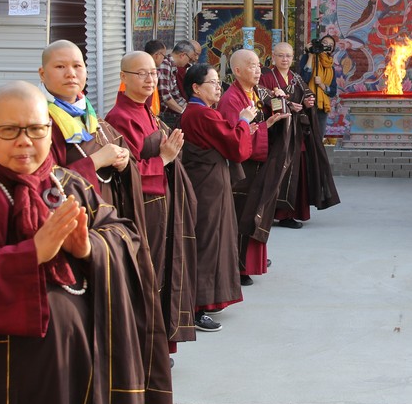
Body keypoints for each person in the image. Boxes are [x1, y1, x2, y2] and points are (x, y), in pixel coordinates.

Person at [0, 81, 171, 404]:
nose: (24, 141)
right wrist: (32, 253)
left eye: (36, 129)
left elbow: (123, 234)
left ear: (49, 131)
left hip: (75, 368)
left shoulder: (67, 184)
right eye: (10, 130)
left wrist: (89, 248)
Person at [38, 41, 173, 384]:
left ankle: (116, 365)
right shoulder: (42, 122)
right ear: (42, 74)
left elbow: (126, 162)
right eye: (60, 67)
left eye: (77, 66)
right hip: (73, 230)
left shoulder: (92, 117)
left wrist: (125, 163)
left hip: (108, 225)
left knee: (115, 295)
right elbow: (42, 183)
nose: (71, 74)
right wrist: (96, 161)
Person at [106, 51, 198, 344]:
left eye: (153, 73)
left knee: (165, 271)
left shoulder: (146, 110)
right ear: (123, 77)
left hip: (161, 203)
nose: (150, 79)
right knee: (148, 274)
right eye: (141, 73)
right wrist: (164, 159)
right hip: (143, 208)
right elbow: (125, 171)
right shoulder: (119, 117)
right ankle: (146, 347)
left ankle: (160, 343)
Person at [179, 63, 255, 333]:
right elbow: (236, 147)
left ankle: (209, 300)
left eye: (218, 82)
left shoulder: (198, 112)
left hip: (209, 181)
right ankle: (196, 308)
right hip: (207, 186)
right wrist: (244, 121)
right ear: (196, 88)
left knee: (216, 239)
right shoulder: (202, 114)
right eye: (212, 82)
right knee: (208, 242)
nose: (218, 87)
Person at [218, 48, 290, 284]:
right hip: (243, 169)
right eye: (252, 66)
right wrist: (261, 128)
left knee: (257, 213)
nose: (258, 70)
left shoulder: (255, 92)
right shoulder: (231, 99)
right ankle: (239, 267)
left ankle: (252, 262)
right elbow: (233, 139)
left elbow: (259, 123)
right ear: (237, 71)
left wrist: (274, 109)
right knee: (243, 215)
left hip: (258, 164)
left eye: (259, 65)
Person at [262, 41, 340, 227]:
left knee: (297, 171)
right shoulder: (266, 77)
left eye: (288, 56)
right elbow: (263, 98)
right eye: (281, 55)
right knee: (275, 172)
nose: (285, 59)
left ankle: (289, 213)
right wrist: (287, 105)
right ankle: (270, 212)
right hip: (276, 133)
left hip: (296, 133)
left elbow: (306, 95)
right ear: (273, 57)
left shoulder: (296, 78)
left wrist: (307, 103)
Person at [299, 35, 339, 144]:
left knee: (318, 138)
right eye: (325, 43)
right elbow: (303, 79)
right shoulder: (307, 58)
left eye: (330, 45)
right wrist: (310, 55)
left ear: (332, 50)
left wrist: (322, 85)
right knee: (305, 138)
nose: (327, 46)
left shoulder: (331, 67)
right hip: (307, 103)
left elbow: (333, 91)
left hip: (322, 107)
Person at [158, 40, 196, 129]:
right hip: (160, 114)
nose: (189, 63)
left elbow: (176, 95)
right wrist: (184, 112)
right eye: (190, 59)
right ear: (182, 55)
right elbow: (165, 97)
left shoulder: (173, 67)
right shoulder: (165, 65)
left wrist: (190, 110)